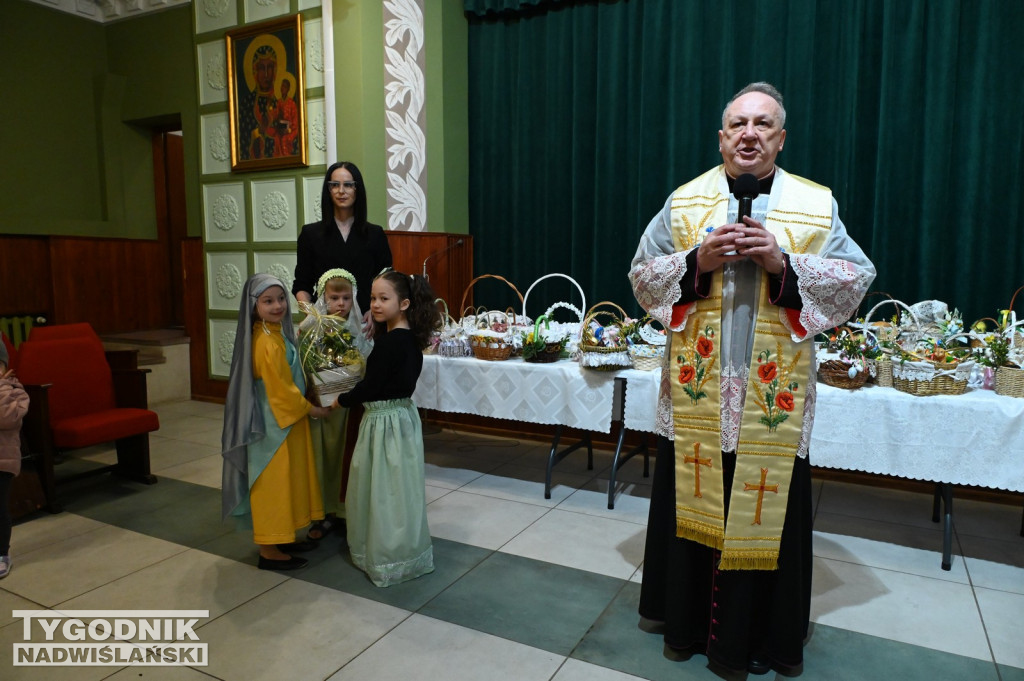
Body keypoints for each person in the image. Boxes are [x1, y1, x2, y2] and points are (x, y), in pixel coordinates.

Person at [629, 82, 876, 676]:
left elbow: (855, 277)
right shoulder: (685, 202)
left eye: (763, 125)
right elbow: (641, 275)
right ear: (721, 137)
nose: (749, 135)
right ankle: (687, 627)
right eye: (738, 124)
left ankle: (762, 638)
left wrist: (780, 262)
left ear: (780, 138)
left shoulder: (815, 203)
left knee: (767, 506)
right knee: (694, 499)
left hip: (771, 400)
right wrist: (697, 262)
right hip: (699, 394)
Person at [220, 273, 335, 571]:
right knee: (273, 487)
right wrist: (313, 409)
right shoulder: (265, 342)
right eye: (268, 301)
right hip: (271, 429)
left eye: (281, 298)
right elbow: (281, 391)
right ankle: (268, 551)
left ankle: (282, 537)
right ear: (253, 306)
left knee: (287, 483)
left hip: (286, 424)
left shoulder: (275, 333)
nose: (278, 306)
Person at [337, 270, 440, 587]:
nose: (375, 305)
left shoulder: (389, 344)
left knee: (381, 489)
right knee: (400, 488)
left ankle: (384, 555)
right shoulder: (412, 340)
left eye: (384, 298)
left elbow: (370, 388)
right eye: (372, 298)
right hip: (404, 418)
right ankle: (406, 551)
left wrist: (339, 400)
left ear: (404, 303)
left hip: (383, 422)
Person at [299, 268, 371, 542]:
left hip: (348, 408)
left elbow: (365, 363)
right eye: (334, 298)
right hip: (322, 407)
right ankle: (323, 511)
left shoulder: (359, 329)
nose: (341, 304)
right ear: (323, 298)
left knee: (347, 456)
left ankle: (345, 510)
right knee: (324, 458)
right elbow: (303, 364)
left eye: (346, 298)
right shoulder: (310, 328)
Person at [293, 161, 393, 337]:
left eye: (348, 185)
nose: (341, 190)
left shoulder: (375, 234)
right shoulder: (310, 234)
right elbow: (302, 285)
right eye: (334, 185)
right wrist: (314, 316)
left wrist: (375, 312)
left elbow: (388, 282)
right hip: (325, 326)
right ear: (328, 190)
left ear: (357, 189)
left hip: (367, 325)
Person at [0, 342, 29, 579]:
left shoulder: (14, 391)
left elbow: (6, 418)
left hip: (3, 462)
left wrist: (0, 387)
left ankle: (2, 554)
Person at [239, 44, 280, 161]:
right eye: (262, 68)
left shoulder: (280, 102)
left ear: (275, 70)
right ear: (255, 71)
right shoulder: (247, 103)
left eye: (270, 67)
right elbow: (243, 142)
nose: (266, 74)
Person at [271, 75, 299, 158]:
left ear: (288, 89)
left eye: (285, 87)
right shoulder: (278, 102)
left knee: (285, 139)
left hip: (290, 130)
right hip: (280, 129)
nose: (282, 88)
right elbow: (275, 117)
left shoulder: (292, 103)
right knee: (276, 138)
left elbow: (295, 121)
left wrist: (289, 130)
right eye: (282, 86)